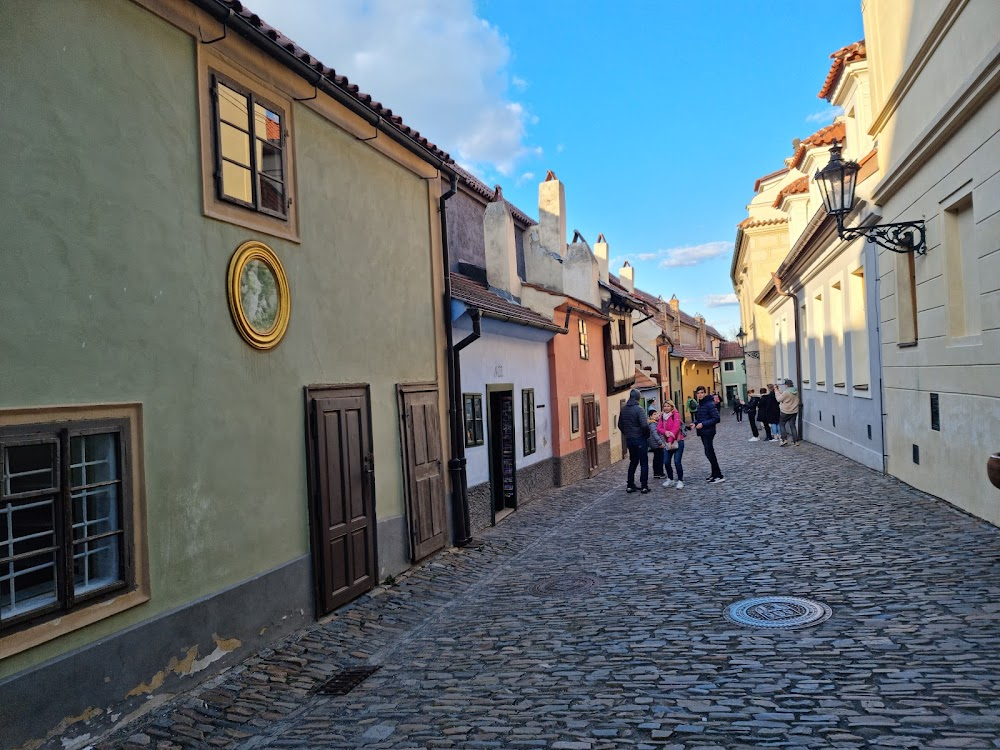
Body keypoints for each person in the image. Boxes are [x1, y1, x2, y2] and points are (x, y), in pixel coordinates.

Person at [618, 388, 650, 493]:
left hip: (629, 440)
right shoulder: (639, 409)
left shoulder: (624, 409)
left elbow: (620, 425)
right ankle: (644, 486)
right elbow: (644, 425)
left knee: (633, 462)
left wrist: (627, 433)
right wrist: (646, 435)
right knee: (643, 462)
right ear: (638, 398)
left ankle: (630, 485)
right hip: (639, 439)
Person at [693, 386, 725, 483]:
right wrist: (694, 423)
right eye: (698, 393)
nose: (700, 394)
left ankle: (719, 475)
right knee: (708, 452)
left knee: (709, 452)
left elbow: (716, 418)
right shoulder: (700, 404)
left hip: (709, 431)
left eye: (702, 392)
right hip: (703, 432)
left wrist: (702, 424)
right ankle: (714, 473)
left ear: (705, 393)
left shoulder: (709, 404)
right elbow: (700, 418)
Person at [659, 400, 685, 489]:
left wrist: (670, 440)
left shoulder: (675, 415)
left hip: (678, 441)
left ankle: (680, 480)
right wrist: (665, 432)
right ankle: (670, 478)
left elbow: (676, 428)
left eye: (668, 406)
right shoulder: (662, 416)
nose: (666, 408)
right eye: (665, 406)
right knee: (666, 461)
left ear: (672, 407)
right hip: (667, 442)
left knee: (677, 461)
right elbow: (659, 428)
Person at [776, 378, 802, 446]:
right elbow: (788, 396)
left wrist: (777, 392)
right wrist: (781, 393)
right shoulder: (796, 390)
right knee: (792, 425)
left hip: (785, 411)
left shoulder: (786, 392)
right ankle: (796, 441)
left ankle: (784, 439)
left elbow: (779, 399)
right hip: (794, 410)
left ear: (787, 385)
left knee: (782, 424)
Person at [647, 409, 667, 479]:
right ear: (650, 416)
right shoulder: (652, 424)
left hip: (655, 443)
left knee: (656, 458)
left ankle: (656, 473)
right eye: (654, 414)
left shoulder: (654, 423)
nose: (657, 415)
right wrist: (660, 442)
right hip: (656, 444)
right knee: (659, 458)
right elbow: (655, 434)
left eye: (657, 414)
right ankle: (660, 473)